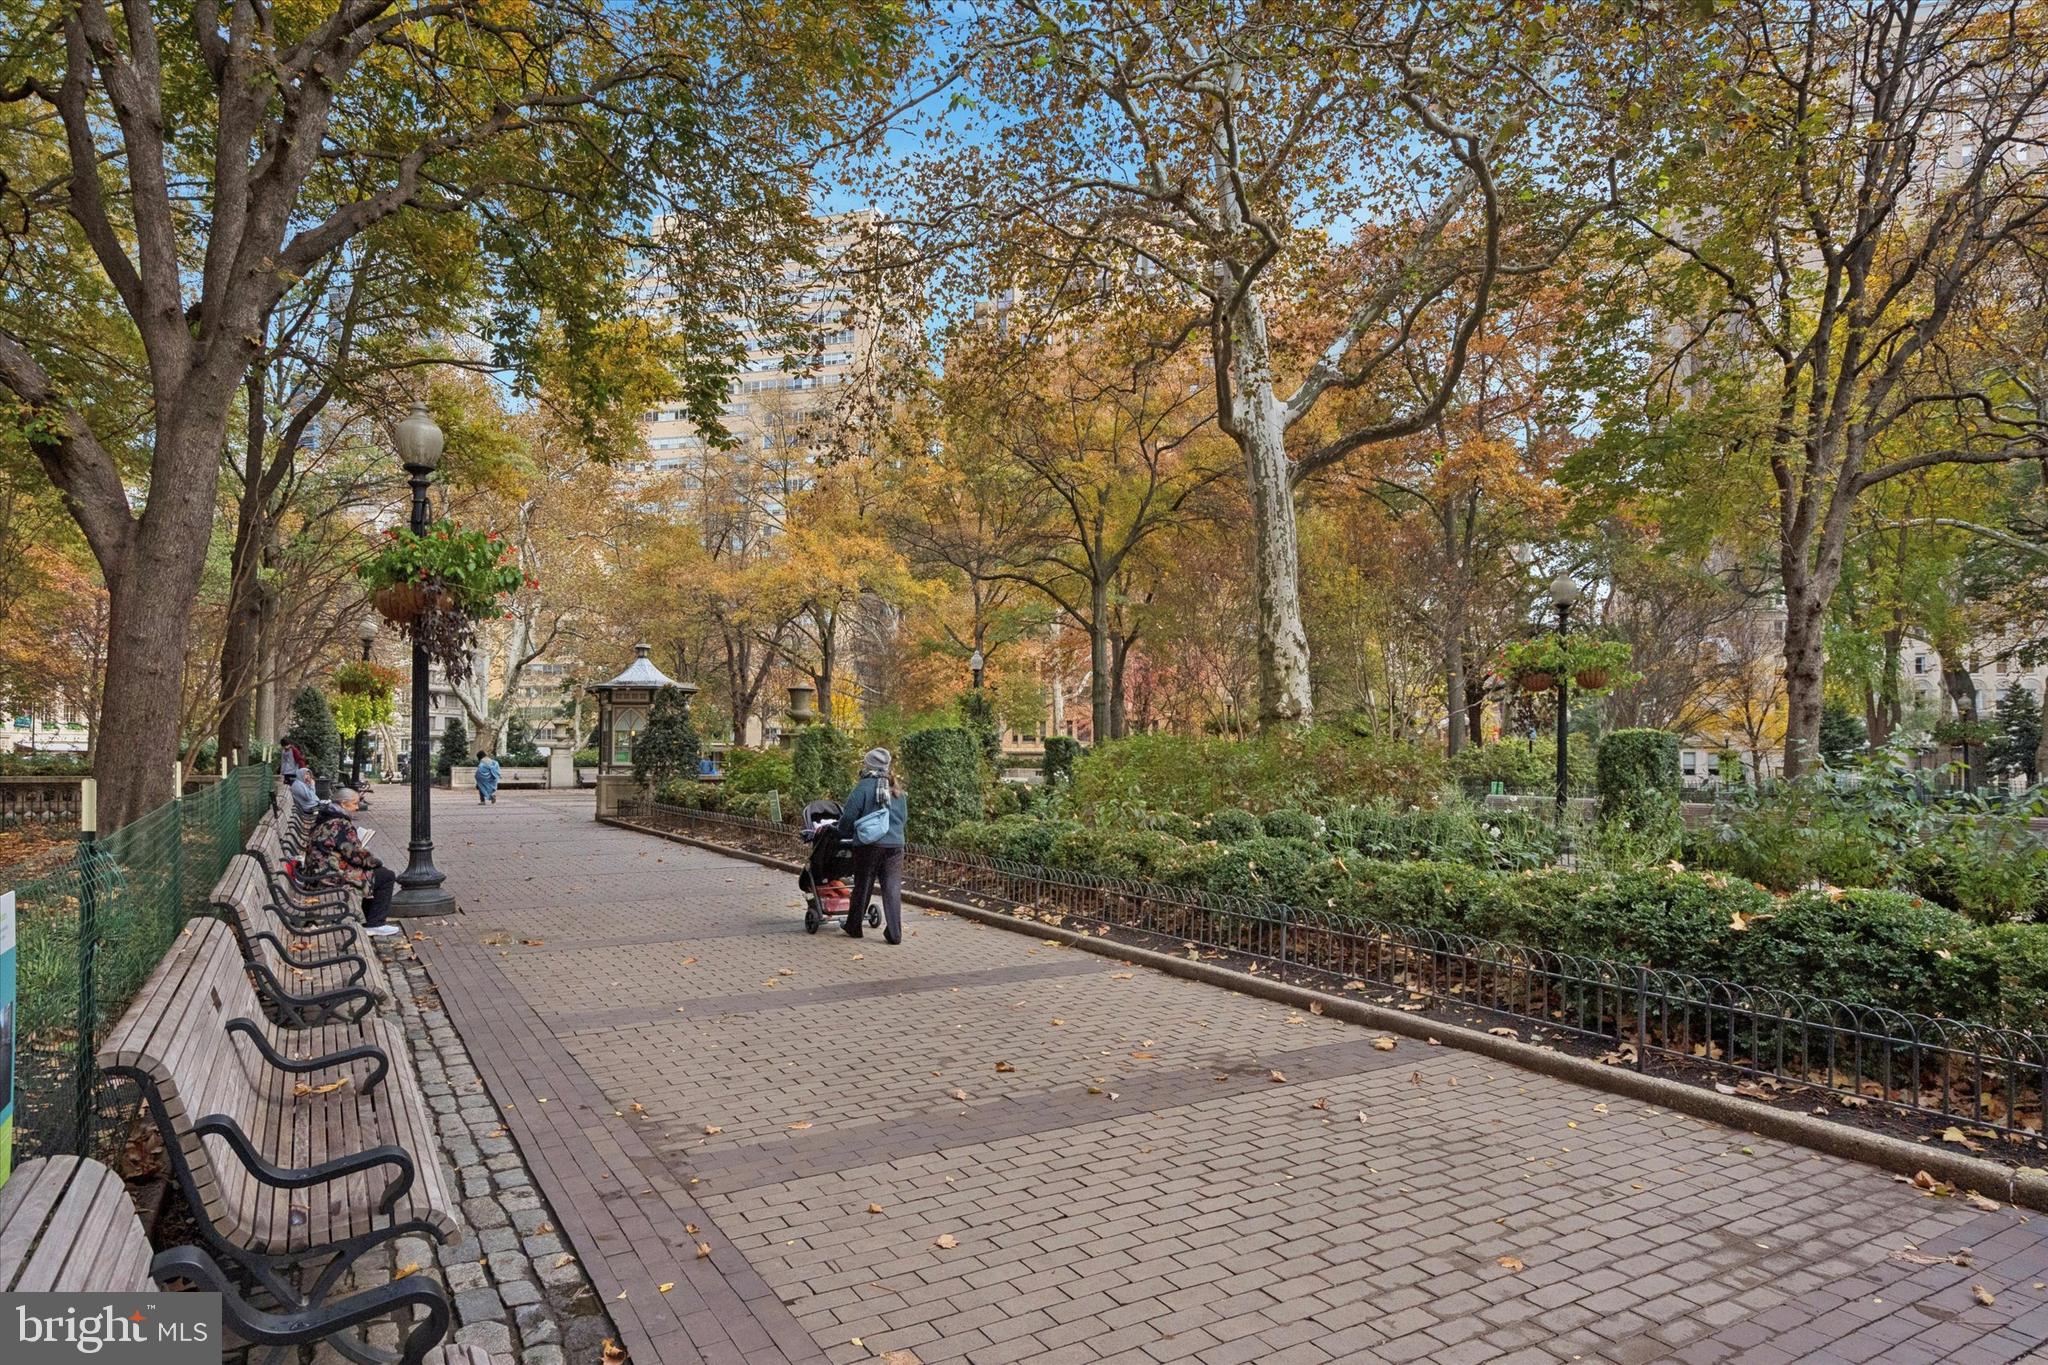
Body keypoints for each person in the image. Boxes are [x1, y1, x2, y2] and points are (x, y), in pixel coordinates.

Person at [300, 787, 400, 937]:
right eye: (354, 804)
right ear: (343, 804)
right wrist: (374, 861)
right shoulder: (339, 823)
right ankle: (375, 923)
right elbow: (355, 854)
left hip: (317, 873)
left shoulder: (326, 817)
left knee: (375, 874)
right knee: (386, 876)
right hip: (328, 877)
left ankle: (372, 920)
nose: (357, 807)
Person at [837, 747, 907, 944]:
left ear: (868, 765)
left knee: (863, 884)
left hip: (869, 845)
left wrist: (842, 832)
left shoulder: (863, 787)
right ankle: (894, 934)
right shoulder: (897, 789)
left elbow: (849, 816)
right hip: (895, 845)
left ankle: (854, 926)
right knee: (892, 887)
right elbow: (903, 818)